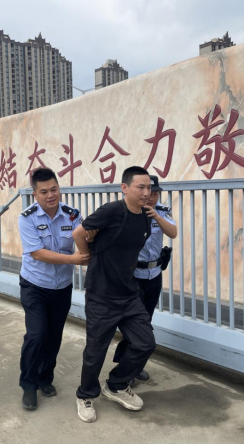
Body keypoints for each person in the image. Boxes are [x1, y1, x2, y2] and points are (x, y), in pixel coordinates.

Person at [72, 166, 156, 423]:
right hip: (101, 294)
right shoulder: (111, 211)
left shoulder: (145, 217)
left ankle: (116, 385)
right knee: (96, 351)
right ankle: (85, 394)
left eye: (149, 187)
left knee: (145, 343)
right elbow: (79, 233)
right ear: (125, 188)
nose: (146, 192)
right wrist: (87, 256)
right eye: (140, 187)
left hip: (129, 294)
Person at [17, 168, 90, 410]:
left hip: (62, 287)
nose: (50, 195)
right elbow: (37, 253)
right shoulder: (27, 218)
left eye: (54, 189)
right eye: (44, 192)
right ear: (35, 194)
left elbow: (84, 240)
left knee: (54, 335)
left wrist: (90, 239)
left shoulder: (72, 215)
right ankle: (28, 384)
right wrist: (74, 260)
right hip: (35, 285)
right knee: (37, 334)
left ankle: (44, 378)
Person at [113, 175, 177, 383]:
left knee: (145, 321)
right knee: (135, 324)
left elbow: (173, 233)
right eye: (148, 191)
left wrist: (156, 216)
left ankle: (135, 365)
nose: (151, 196)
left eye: (155, 193)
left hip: (154, 275)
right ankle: (125, 368)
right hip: (133, 277)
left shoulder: (162, 211)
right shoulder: (129, 212)